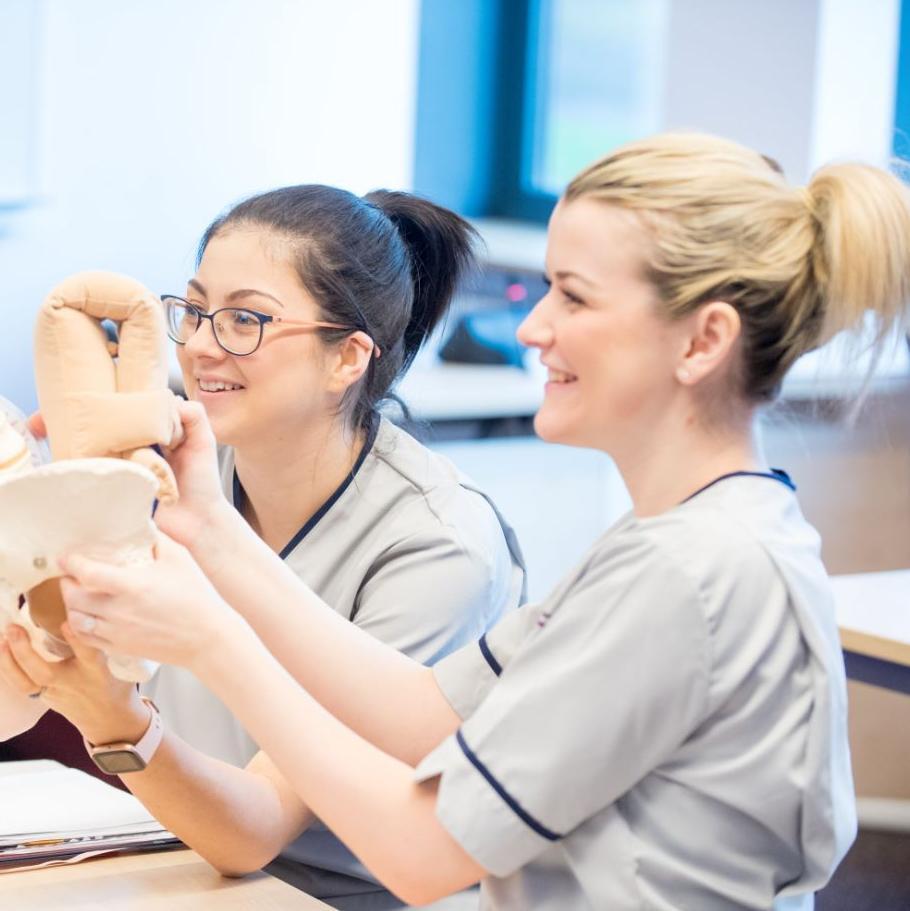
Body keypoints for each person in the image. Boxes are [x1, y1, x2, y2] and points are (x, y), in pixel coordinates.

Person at [4, 130, 907, 909]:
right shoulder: (677, 542)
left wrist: (209, 640)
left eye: (573, 296)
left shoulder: (689, 573)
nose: (531, 328)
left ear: (703, 340)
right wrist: (207, 524)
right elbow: (429, 714)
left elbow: (423, 849)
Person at [0, 185, 526, 910]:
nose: (201, 346)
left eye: (245, 320)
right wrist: (36, 525)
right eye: (194, 311)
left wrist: (116, 722)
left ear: (347, 358)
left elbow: (253, 833)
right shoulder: (176, 469)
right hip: (178, 862)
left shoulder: (438, 545)